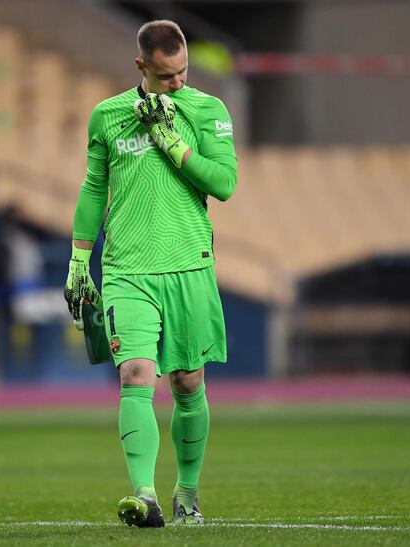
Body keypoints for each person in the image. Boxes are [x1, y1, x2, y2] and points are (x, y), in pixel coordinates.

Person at [63, 20, 237, 527]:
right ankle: (145, 495)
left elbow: (224, 183)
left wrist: (172, 142)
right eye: (166, 76)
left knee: (187, 382)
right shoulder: (109, 117)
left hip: (189, 267)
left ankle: (187, 492)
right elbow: (94, 189)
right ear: (141, 67)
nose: (178, 83)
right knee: (135, 375)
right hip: (127, 271)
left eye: (183, 72)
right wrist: (79, 258)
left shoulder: (207, 109)